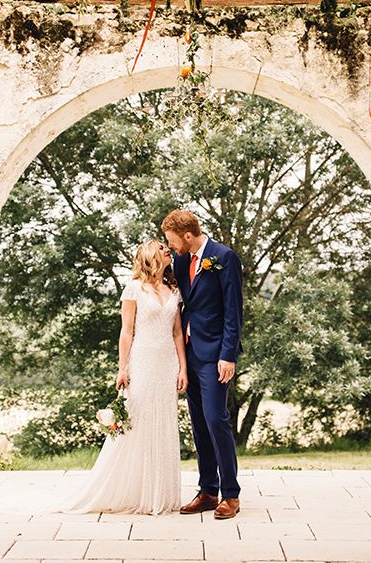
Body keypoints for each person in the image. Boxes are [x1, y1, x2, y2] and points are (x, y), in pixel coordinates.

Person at [53, 239, 188, 515]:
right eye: (162, 247)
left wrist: (183, 368)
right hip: (142, 360)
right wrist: (122, 368)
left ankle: (159, 494)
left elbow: (177, 333)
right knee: (137, 421)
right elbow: (126, 332)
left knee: (163, 421)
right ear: (150, 255)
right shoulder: (133, 288)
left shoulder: (174, 288)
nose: (168, 250)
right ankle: (131, 490)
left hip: (167, 363)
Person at [162, 209, 244, 520]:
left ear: (187, 234)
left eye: (172, 240)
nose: (171, 247)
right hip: (188, 353)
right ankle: (208, 490)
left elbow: (233, 311)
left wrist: (228, 354)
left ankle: (231, 495)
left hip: (215, 355)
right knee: (198, 423)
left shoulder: (224, 257)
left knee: (215, 419)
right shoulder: (181, 260)